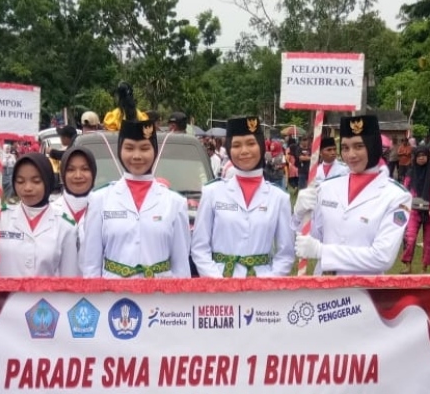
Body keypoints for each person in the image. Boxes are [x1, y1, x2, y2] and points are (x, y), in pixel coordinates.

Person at [293, 115, 411, 276]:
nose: (351, 155)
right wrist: (299, 214)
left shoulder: (396, 196)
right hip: (323, 285)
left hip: (362, 288)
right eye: (345, 147)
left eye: (359, 146)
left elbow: (382, 257)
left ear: (373, 146)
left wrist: (322, 251)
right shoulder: (327, 187)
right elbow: (314, 237)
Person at [80, 119, 191, 278]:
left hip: (161, 292)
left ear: (155, 150)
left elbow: (181, 267)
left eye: (144, 148)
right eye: (129, 148)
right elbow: (91, 266)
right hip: (113, 292)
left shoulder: (175, 202)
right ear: (120, 149)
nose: (137, 156)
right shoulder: (99, 199)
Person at [191, 116, 294, 277]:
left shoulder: (279, 198)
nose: (244, 151)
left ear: (261, 146)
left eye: (251, 143)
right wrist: (218, 281)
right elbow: (199, 248)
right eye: (236, 145)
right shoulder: (212, 192)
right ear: (229, 149)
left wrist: (268, 281)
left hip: (262, 284)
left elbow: (286, 254)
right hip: (220, 282)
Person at [0, 153, 79, 277]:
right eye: (20, 181)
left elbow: (70, 277)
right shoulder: (0, 219)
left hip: (48, 291)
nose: (27, 188)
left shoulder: (65, 226)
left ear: (48, 181)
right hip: (5, 290)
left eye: (36, 181)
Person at [401, 145, 430, 273]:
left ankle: (424, 269)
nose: (421, 158)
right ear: (415, 158)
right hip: (414, 210)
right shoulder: (411, 172)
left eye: (424, 155)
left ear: (428, 156)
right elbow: (405, 190)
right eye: (418, 156)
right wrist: (405, 205)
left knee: (429, 241)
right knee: (410, 238)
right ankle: (408, 266)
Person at [52, 145, 98, 227]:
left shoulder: (105, 209)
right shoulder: (51, 212)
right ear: (63, 174)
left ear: (93, 173)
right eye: (71, 169)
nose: (78, 176)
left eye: (85, 169)